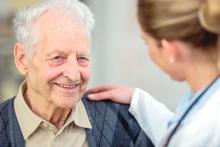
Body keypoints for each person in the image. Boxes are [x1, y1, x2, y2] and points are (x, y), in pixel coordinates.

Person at [0, 0, 154, 147]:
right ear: (22, 59)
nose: (74, 75)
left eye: (82, 58)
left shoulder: (123, 121)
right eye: (57, 57)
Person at [88, 0, 220, 146]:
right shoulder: (209, 95)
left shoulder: (201, 131)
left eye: (147, 43)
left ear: (170, 50)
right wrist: (138, 100)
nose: (149, 53)